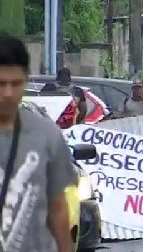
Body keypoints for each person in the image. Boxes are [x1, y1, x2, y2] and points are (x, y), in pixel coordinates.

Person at [0, 35, 76, 252]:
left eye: (15, 84)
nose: (7, 93)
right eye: (0, 84)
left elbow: (58, 208)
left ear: (25, 80)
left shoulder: (46, 135)